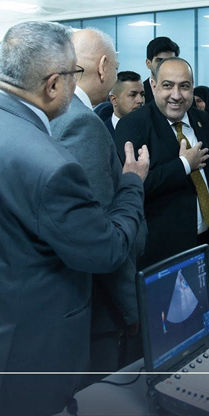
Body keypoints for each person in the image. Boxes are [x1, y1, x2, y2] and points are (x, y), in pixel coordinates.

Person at [0, 21, 147, 416]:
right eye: (72, 75)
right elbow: (104, 250)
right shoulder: (49, 162)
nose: (75, 84)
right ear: (53, 85)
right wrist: (132, 184)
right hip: (19, 360)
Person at [51, 29, 145, 377]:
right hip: (96, 302)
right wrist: (130, 309)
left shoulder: (52, 112)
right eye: (117, 67)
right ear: (104, 67)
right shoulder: (81, 122)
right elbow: (100, 231)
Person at [115, 57, 209, 271]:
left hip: (206, 242)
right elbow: (136, 185)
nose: (176, 95)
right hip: (162, 251)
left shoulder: (202, 120)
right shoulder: (133, 125)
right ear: (153, 86)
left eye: (184, 86)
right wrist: (184, 164)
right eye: (168, 85)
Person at [106, 70, 145, 135]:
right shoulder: (100, 132)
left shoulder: (153, 129)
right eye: (133, 95)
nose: (140, 100)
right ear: (114, 100)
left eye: (142, 94)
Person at [142, 36, 179, 103]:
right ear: (148, 63)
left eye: (170, 61)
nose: (165, 65)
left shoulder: (185, 92)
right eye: (159, 61)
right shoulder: (139, 93)